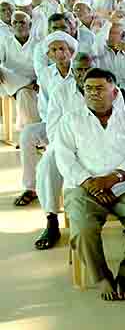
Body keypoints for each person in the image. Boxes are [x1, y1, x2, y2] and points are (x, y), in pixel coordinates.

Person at [55, 68, 125, 301]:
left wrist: (112, 179)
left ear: (115, 92)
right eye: (88, 89)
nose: (93, 93)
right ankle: (101, 277)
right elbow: (65, 158)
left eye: (99, 88)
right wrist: (91, 184)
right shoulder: (70, 121)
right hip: (83, 187)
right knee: (82, 228)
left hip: (123, 185)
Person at [33, 52, 124, 250]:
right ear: (72, 72)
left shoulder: (111, 91)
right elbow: (53, 126)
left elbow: (119, 122)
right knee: (48, 162)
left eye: (87, 69)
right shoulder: (60, 92)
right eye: (79, 70)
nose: (83, 74)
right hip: (67, 142)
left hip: (102, 145)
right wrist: (68, 145)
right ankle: (51, 219)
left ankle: (117, 203)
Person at [17, 32, 76, 209]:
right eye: (54, 50)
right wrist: (56, 134)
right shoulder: (46, 75)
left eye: (63, 49)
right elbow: (45, 108)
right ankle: (30, 187)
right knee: (28, 134)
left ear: (71, 52)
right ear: (49, 55)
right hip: (55, 126)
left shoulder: (81, 70)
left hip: (81, 127)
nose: (59, 53)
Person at [0, 10, 40, 133]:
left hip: (34, 84)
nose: (18, 25)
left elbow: (43, 68)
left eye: (22, 22)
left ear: (30, 25)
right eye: (15, 23)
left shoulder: (38, 43)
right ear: (11, 25)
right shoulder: (5, 42)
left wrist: (38, 81)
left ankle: (29, 133)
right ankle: (34, 135)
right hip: (9, 82)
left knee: (24, 93)